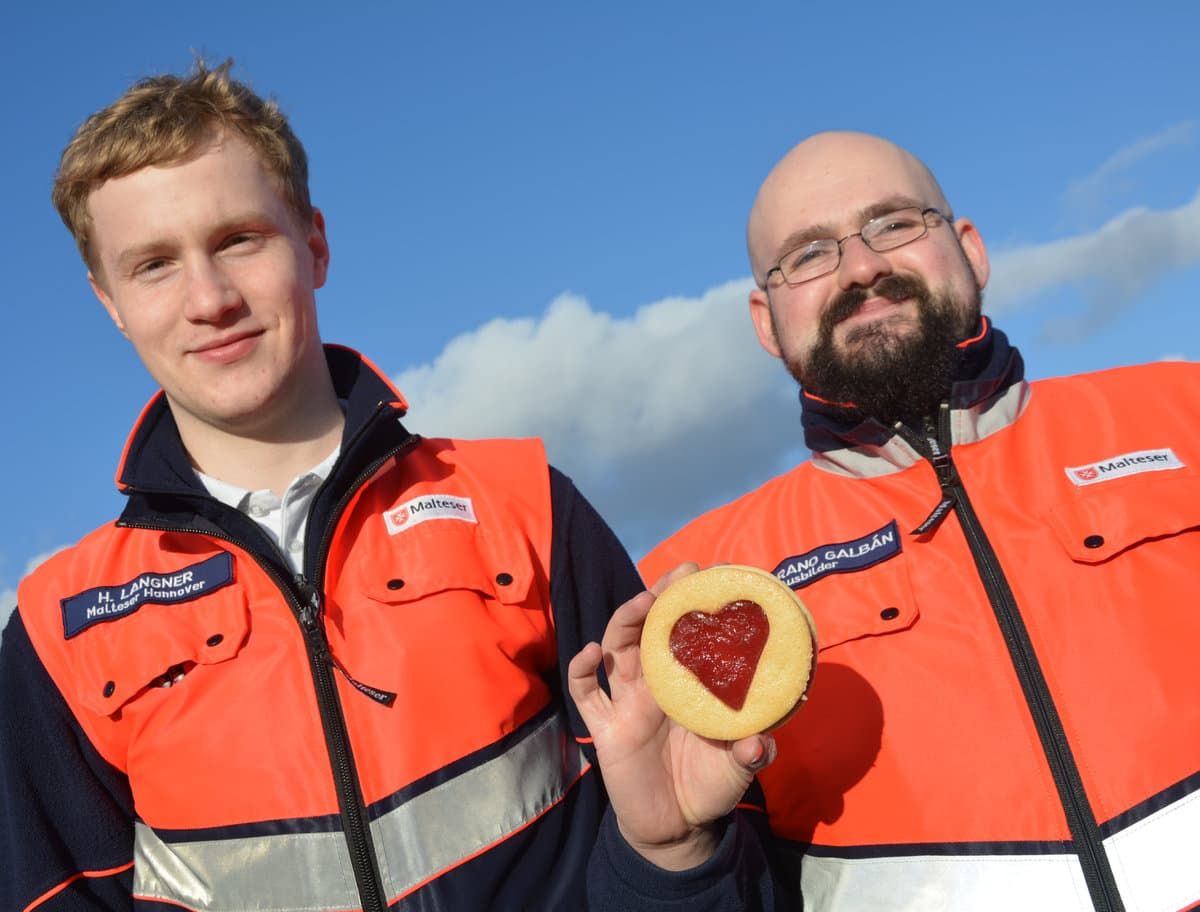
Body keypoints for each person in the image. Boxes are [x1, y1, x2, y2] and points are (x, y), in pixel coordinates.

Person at [0, 60, 776, 911]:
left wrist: (675, 854)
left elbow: (686, 839)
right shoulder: (57, 630)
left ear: (316, 244)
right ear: (108, 299)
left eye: (239, 240)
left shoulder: (525, 506)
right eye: (153, 265)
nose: (209, 297)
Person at [640, 131, 1200, 912]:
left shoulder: (1186, 415)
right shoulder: (690, 593)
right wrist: (669, 858)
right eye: (808, 254)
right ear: (766, 323)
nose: (863, 268)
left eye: (895, 223)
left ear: (969, 249)